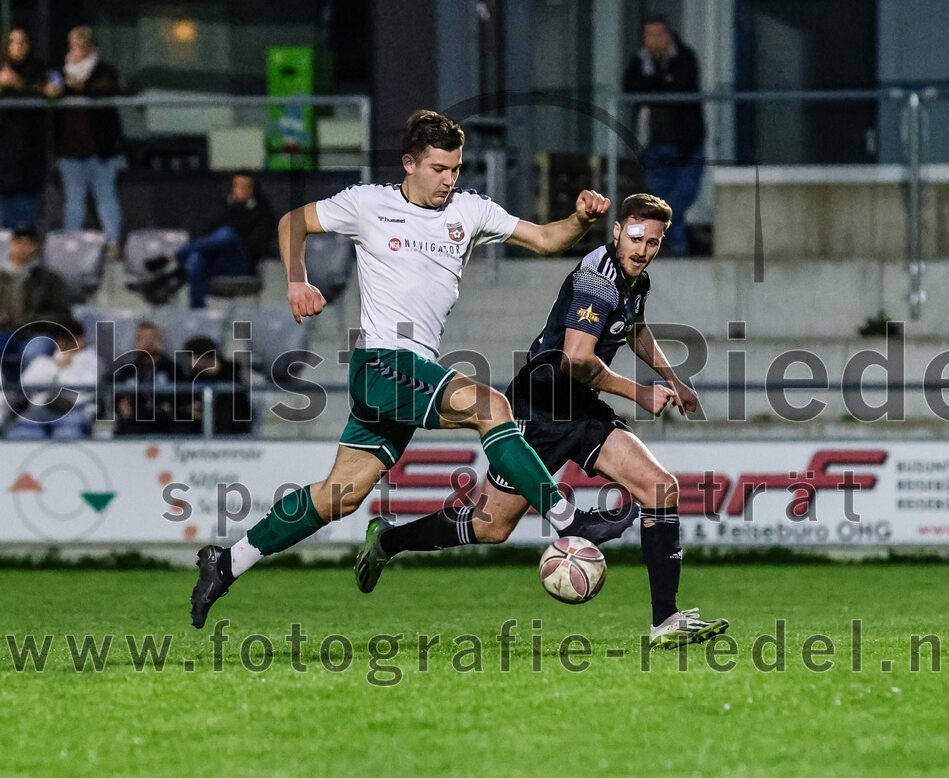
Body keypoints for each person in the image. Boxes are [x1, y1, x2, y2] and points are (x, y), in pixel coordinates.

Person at [190, 109, 613, 628]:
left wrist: (581, 220)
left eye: (456, 169)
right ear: (410, 163)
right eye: (439, 168)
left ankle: (227, 563)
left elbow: (548, 240)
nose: (449, 179)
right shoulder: (370, 203)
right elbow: (292, 221)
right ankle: (570, 520)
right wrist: (296, 280)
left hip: (409, 375)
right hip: (382, 363)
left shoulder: (470, 211)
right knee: (492, 406)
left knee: (340, 496)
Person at [356, 194, 729, 648]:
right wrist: (640, 393)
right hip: (538, 409)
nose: (642, 248)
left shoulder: (636, 280)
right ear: (616, 232)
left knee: (661, 487)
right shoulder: (598, 281)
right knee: (490, 526)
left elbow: (633, 328)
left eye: (653, 241)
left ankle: (664, 621)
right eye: (635, 237)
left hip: (582, 407)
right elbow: (575, 359)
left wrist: (672, 378)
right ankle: (387, 542)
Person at [623, 15, 705, 256]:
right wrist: (658, 82)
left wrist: (654, 84)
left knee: (675, 202)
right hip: (654, 147)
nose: (653, 41)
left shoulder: (685, 57)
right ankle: (676, 250)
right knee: (659, 201)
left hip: (686, 146)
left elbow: (679, 86)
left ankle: (671, 247)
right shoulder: (639, 61)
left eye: (658, 35)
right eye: (649, 36)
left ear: (669, 35)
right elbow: (631, 87)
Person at [49, 26, 124, 257]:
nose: (78, 50)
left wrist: (80, 87)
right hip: (70, 151)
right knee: (74, 201)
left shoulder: (104, 71)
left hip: (101, 150)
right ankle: (72, 243)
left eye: (83, 45)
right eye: (74, 45)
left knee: (106, 197)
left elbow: (107, 89)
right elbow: (49, 92)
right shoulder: (59, 73)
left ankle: (112, 243)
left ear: (91, 46)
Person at [176, 172, 275, 308]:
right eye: (237, 186)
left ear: (253, 189)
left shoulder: (262, 212)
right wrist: (230, 208)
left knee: (227, 233)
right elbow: (202, 232)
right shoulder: (221, 208)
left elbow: (257, 246)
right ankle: (197, 312)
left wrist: (232, 242)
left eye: (245, 187)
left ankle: (178, 255)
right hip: (216, 261)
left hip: (241, 263)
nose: (240, 190)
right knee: (196, 258)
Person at [2, 318, 98, 439]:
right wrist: (56, 367)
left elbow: (83, 390)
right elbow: (26, 384)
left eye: (69, 340)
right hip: (39, 411)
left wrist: (62, 372)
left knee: (67, 436)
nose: (64, 344)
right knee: (19, 434)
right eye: (61, 339)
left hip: (72, 412)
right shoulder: (44, 362)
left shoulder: (91, 361)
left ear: (80, 340)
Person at [0, 227, 73, 381]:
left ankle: (29, 398)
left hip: (36, 333)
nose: (18, 247)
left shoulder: (49, 279)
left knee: (37, 349)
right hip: (4, 331)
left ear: (33, 246)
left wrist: (33, 319)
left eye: (24, 243)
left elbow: (63, 315)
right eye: (15, 242)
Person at [0, 29, 49, 230]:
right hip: (3, 157)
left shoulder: (39, 71)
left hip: (28, 156)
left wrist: (18, 84)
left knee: (24, 226)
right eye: (13, 42)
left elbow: (52, 91)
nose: (18, 47)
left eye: (22, 42)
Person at [111, 321, 181, 436]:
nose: (147, 342)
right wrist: (120, 405)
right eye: (141, 338)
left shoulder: (172, 370)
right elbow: (116, 398)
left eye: (151, 337)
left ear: (160, 341)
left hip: (165, 426)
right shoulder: (127, 370)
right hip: (132, 426)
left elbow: (183, 401)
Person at [178, 335, 252, 435]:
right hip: (200, 429)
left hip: (231, 430)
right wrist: (190, 409)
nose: (189, 360)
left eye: (192, 356)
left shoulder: (232, 375)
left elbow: (241, 408)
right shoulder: (191, 377)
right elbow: (185, 402)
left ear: (203, 357)